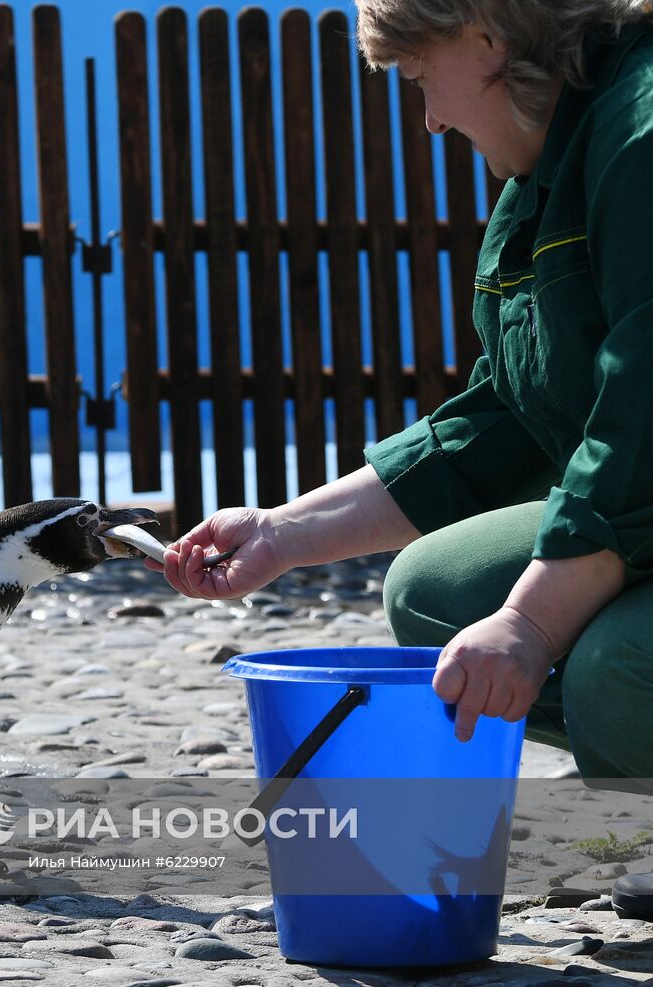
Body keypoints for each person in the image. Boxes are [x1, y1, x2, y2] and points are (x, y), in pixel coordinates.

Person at [156, 0, 653, 909]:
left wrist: (534, 626)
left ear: (489, 38)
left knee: (612, 669)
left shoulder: (642, 133)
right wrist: (280, 533)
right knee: (435, 594)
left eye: (421, 79)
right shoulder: (547, 161)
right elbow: (503, 414)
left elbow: (645, 422)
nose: (427, 120)